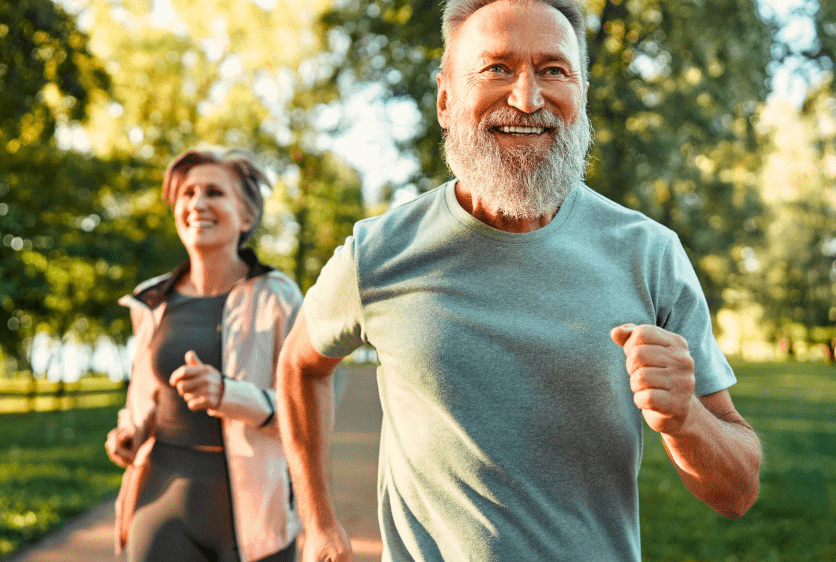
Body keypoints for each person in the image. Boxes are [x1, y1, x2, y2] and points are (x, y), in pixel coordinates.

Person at [275, 0, 761, 560]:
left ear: (580, 94)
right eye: (496, 68)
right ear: (444, 99)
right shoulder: (379, 253)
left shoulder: (650, 254)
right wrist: (316, 522)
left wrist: (687, 421)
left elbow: (736, 493)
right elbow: (298, 367)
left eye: (554, 70)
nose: (527, 98)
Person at [105, 146, 302, 561]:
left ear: (246, 215)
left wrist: (227, 394)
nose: (197, 203)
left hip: (256, 517)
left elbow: (307, 415)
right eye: (187, 194)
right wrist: (130, 433)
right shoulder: (152, 301)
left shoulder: (278, 298)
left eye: (214, 192)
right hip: (160, 502)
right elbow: (144, 402)